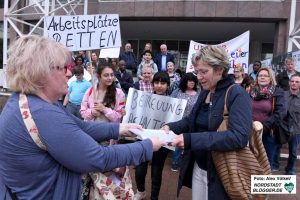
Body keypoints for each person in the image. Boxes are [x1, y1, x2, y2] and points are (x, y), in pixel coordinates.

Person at [0, 35, 166, 199]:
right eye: (64, 67)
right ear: (42, 72)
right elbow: (99, 158)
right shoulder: (43, 113)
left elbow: (82, 127)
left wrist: (121, 128)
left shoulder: (28, 101)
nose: (69, 72)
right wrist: (147, 146)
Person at [162, 45, 252, 200]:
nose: (199, 77)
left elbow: (239, 137)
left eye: (204, 72)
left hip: (223, 170)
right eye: (197, 72)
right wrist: (171, 127)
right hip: (199, 166)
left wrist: (191, 140)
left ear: (219, 70)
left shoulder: (237, 94)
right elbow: (192, 120)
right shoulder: (205, 91)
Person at [134, 72, 171, 200]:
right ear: (153, 84)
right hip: (144, 140)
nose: (159, 86)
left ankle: (154, 197)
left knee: (157, 171)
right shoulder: (144, 99)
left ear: (168, 85)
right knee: (139, 169)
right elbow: (136, 115)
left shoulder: (174, 104)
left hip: (162, 142)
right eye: (157, 82)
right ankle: (140, 191)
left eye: (163, 83)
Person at [250, 67, 286, 171]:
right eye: (260, 75)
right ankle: (250, 186)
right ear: (257, 78)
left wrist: (264, 126)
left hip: (268, 133)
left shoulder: (277, 92)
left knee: (266, 165)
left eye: (265, 76)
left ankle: (263, 186)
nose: (262, 77)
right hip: (250, 132)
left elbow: (280, 113)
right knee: (251, 162)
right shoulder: (251, 91)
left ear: (270, 78)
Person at [170, 72, 200, 172]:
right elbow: (170, 103)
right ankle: (175, 164)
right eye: (189, 81)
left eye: (193, 81)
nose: (192, 83)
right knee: (178, 143)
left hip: (192, 123)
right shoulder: (178, 92)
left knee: (188, 143)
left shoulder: (199, 93)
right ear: (185, 81)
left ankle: (186, 165)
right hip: (178, 122)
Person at [284, 74, 300, 175]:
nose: (294, 83)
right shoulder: (283, 95)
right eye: (292, 81)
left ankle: (290, 169)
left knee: (293, 152)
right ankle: (274, 166)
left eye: (297, 82)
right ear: (289, 82)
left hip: (296, 129)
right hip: (282, 127)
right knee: (276, 149)